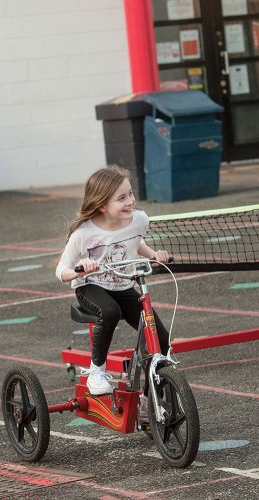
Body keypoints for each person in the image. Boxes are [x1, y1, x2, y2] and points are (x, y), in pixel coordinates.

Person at [55, 165, 171, 396]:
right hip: (91, 286)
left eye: (130, 194)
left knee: (162, 341)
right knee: (110, 311)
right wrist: (81, 270)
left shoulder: (139, 220)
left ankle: (151, 400)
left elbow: (134, 242)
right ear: (102, 205)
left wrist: (153, 254)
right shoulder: (84, 233)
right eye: (121, 198)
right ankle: (96, 371)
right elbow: (61, 271)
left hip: (123, 284)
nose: (130, 201)